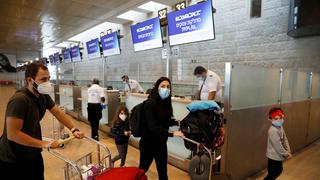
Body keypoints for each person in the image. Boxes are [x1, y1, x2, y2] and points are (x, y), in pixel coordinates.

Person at [0, 62, 84, 180]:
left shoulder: (42, 95)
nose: (47, 83)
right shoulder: (19, 100)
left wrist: (74, 128)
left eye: (48, 78)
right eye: (43, 79)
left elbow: (58, 112)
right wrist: (45, 144)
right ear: (30, 80)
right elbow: (13, 134)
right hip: (13, 158)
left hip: (32, 152)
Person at [138, 77, 184, 180]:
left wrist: (177, 122)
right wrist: (173, 134)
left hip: (160, 144)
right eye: (162, 86)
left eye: (168, 87)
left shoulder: (164, 103)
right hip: (148, 144)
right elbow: (154, 128)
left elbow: (164, 121)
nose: (166, 89)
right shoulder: (150, 104)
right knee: (142, 170)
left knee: (163, 172)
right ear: (157, 88)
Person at [264, 108, 292, 180]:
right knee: (275, 172)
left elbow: (285, 138)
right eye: (276, 119)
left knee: (276, 171)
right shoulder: (273, 130)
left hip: (278, 155)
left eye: (280, 118)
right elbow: (278, 145)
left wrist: (288, 150)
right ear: (271, 119)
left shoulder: (280, 126)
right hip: (273, 156)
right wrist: (286, 154)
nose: (278, 120)